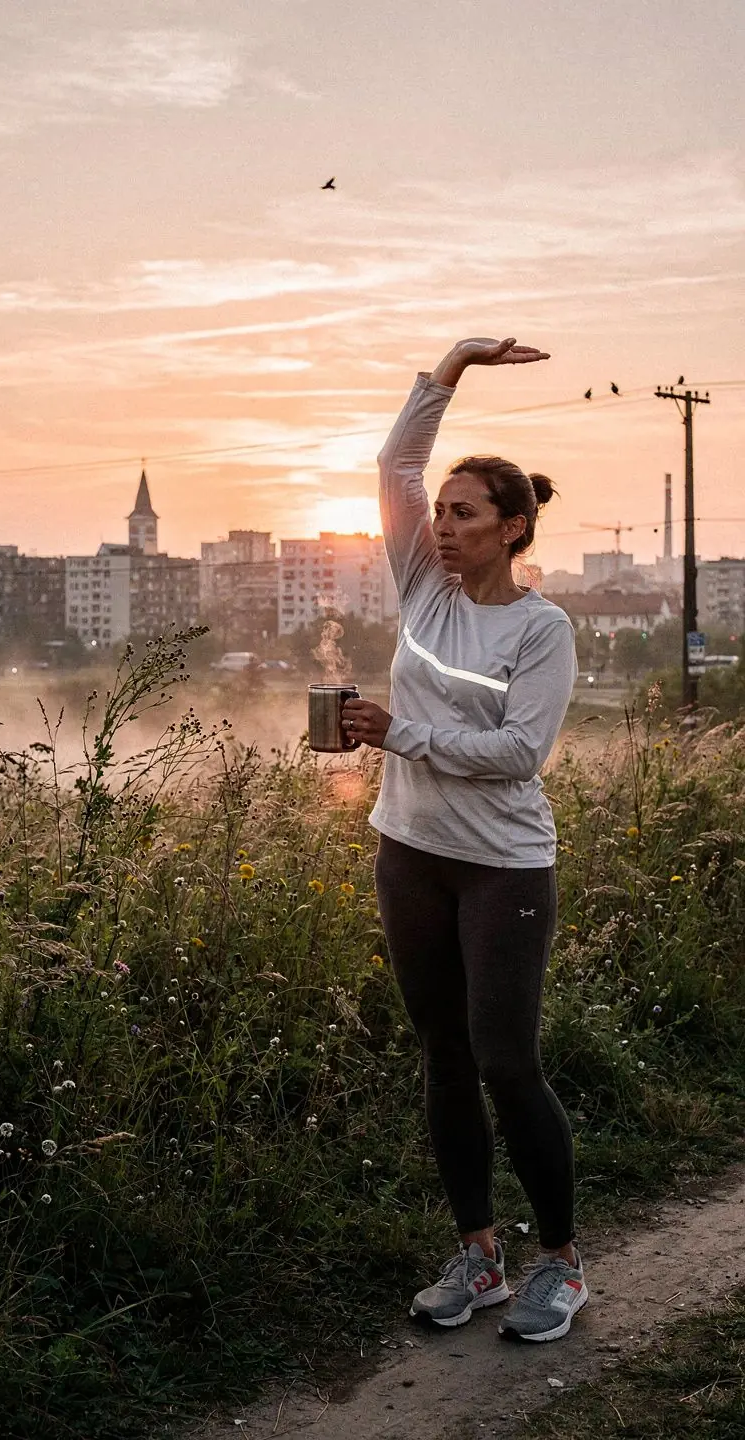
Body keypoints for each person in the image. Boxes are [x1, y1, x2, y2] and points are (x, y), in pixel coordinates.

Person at [341, 337, 587, 1343]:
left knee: (505, 1061)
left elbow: (519, 752)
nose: (441, 525)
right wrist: (451, 366)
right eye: (440, 513)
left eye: (464, 514)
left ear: (512, 528)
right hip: (410, 850)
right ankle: (479, 1253)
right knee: (442, 1056)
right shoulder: (424, 590)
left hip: (503, 866)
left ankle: (560, 1264)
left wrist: (405, 734)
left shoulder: (542, 629)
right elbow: (393, 468)